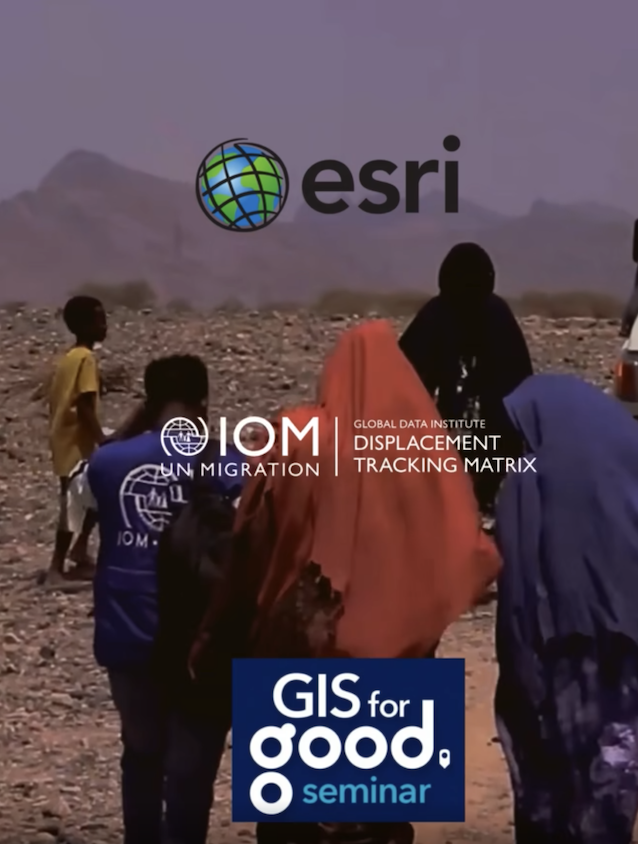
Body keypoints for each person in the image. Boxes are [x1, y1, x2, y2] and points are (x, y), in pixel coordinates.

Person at [189, 320, 501, 844]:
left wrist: (214, 630)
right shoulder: (422, 450)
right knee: (380, 814)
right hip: (398, 656)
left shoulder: (296, 434)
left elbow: (251, 542)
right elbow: (463, 545)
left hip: (299, 646)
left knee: (293, 819)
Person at [493, 374, 638, 844]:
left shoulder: (528, 484)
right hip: (620, 656)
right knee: (611, 768)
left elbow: (518, 607)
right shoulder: (628, 466)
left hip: (552, 667)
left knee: (553, 783)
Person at [70, 354, 246, 844]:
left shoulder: (108, 462)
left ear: (148, 400)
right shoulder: (227, 462)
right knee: (191, 771)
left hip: (126, 630)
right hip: (199, 639)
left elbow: (84, 506)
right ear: (203, 401)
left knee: (141, 752)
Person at [399, 243, 533, 513]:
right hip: (491, 431)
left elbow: (406, 373)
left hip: (466, 427)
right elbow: (522, 381)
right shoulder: (494, 314)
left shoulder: (439, 313)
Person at [46, 295, 108, 585]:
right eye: (99, 320)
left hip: (66, 439)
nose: (104, 325)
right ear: (83, 325)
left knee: (94, 498)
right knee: (74, 504)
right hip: (76, 443)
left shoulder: (69, 358)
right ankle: (56, 569)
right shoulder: (85, 359)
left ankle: (80, 553)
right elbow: (84, 405)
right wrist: (103, 441)